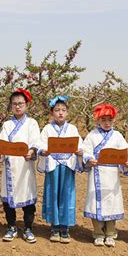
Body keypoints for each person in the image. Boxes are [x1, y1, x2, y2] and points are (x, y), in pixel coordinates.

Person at [82, 103, 128, 247]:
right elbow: (86, 150)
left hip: (112, 175)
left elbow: (125, 151)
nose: (107, 123)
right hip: (96, 172)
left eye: (110, 120)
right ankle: (98, 233)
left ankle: (110, 233)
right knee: (95, 202)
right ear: (98, 120)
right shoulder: (92, 135)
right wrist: (89, 158)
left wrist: (126, 162)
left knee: (112, 202)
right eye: (103, 120)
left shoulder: (117, 136)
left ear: (114, 121)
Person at [37, 95, 84, 244]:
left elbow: (79, 144)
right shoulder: (47, 129)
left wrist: (80, 151)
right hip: (53, 166)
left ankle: (65, 227)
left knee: (67, 195)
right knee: (53, 194)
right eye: (57, 110)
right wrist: (43, 151)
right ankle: (54, 226)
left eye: (63, 110)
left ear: (68, 112)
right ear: (52, 113)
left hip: (67, 166)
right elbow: (40, 144)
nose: (60, 113)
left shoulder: (72, 128)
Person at [0, 89, 40, 243]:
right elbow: (1, 143)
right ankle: (11, 227)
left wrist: (32, 150)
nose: (17, 107)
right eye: (14, 104)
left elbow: (36, 141)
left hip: (25, 166)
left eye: (20, 103)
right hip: (10, 165)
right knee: (8, 199)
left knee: (28, 198)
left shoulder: (32, 123)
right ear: (10, 106)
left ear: (26, 105)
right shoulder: (7, 124)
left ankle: (28, 228)